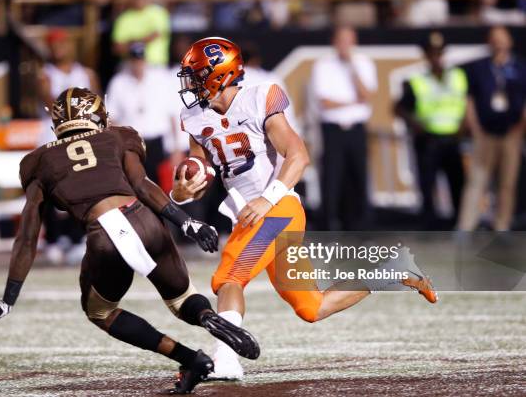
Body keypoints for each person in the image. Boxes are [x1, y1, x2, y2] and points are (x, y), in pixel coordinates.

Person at [171, 37, 437, 380]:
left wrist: (268, 198)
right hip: (252, 215)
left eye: (195, 75)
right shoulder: (193, 116)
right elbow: (199, 165)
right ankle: (394, 271)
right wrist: (184, 187)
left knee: (229, 279)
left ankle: (225, 360)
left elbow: (298, 155)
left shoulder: (259, 97)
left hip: (278, 208)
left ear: (218, 73)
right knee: (312, 307)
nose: (190, 83)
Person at [0, 88, 260, 394]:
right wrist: (186, 222)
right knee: (181, 299)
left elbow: (28, 236)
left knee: (99, 311)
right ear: (97, 115)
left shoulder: (38, 160)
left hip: (104, 234)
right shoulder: (119, 136)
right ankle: (207, 317)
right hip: (144, 220)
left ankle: (189, 358)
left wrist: (8, 299)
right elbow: (142, 184)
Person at [38, 27, 100, 264]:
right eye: (54, 45)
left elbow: (96, 103)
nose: (59, 49)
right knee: (51, 189)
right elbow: (51, 103)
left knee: (83, 187)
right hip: (53, 135)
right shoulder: (45, 74)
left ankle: (77, 237)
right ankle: (53, 238)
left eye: (62, 44)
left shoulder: (86, 73)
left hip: (82, 135)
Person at [395, 32, 468, 229]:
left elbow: (467, 103)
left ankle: (458, 225)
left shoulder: (458, 76)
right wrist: (416, 124)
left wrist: (465, 125)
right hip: (429, 140)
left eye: (439, 53)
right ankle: (430, 225)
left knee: (457, 184)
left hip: (453, 139)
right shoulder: (418, 80)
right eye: (431, 54)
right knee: (428, 185)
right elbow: (399, 108)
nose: (436, 58)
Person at [458, 26, 526, 231]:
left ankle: (501, 225)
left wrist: (520, 127)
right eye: (494, 39)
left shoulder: (520, 68)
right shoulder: (479, 68)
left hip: (511, 133)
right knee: (477, 180)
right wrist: (475, 126)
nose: (498, 43)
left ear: (510, 42)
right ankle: (466, 226)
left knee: (506, 183)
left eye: (502, 39)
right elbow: (469, 99)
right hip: (485, 133)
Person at [310, 26, 377, 231]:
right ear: (334, 41)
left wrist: (352, 70)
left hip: (356, 128)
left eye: (349, 40)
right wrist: (352, 102)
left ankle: (360, 223)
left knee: (358, 174)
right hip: (332, 128)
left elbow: (366, 94)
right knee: (332, 176)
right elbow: (325, 102)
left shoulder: (363, 63)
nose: (345, 45)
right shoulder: (323, 65)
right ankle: (330, 221)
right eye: (341, 40)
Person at [106, 42, 179, 184]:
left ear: (145, 60)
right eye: (134, 60)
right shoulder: (119, 82)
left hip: (157, 141)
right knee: (135, 183)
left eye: (140, 60)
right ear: (129, 61)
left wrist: (176, 147)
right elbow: (110, 116)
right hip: (132, 143)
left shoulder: (160, 78)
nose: (138, 64)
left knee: (159, 187)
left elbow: (172, 114)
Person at [112, 0, 170, 66]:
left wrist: (130, 43)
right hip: (130, 65)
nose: (140, 0)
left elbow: (155, 35)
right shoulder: (124, 18)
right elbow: (117, 48)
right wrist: (142, 40)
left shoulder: (158, 13)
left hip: (154, 64)